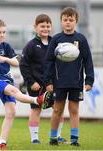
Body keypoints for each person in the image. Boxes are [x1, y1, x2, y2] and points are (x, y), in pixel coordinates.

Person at [0, 17, 47, 149]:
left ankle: (2, 142)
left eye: (4, 32)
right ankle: (37, 100)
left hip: (6, 79)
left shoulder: (6, 46)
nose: (2, 35)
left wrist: (5, 59)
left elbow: (17, 63)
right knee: (13, 91)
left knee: (11, 112)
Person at [44, 7, 94, 146]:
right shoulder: (56, 39)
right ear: (61, 22)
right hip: (59, 82)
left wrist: (89, 80)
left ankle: (74, 139)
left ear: (75, 22)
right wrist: (48, 81)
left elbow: (88, 60)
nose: (68, 22)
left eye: (71, 20)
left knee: (74, 110)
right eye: (65, 20)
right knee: (57, 110)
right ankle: (53, 138)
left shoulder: (81, 39)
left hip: (76, 82)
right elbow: (48, 61)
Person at [20, 14, 67, 144]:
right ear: (35, 27)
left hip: (52, 84)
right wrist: (31, 82)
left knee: (58, 109)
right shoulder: (31, 45)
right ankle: (34, 138)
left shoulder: (56, 43)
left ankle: (57, 135)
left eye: (48, 26)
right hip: (36, 85)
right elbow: (23, 65)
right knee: (36, 110)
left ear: (51, 27)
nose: (45, 28)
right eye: (42, 26)